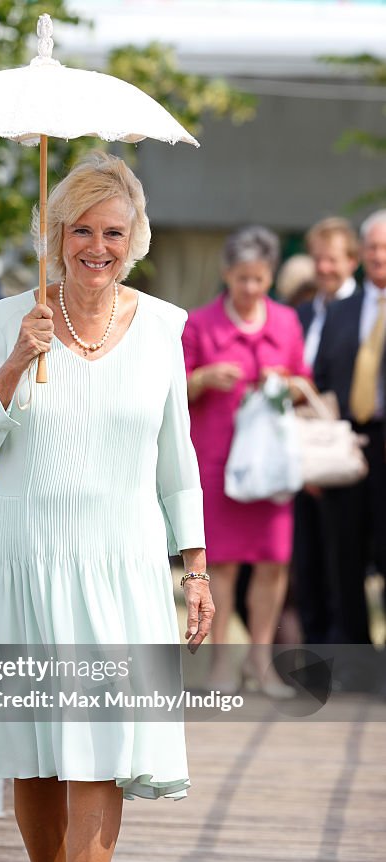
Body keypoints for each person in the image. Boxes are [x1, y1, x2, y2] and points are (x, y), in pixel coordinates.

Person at [0, 153, 213, 862]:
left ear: (135, 239)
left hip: (121, 566)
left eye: (111, 232)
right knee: (37, 761)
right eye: (79, 230)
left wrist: (193, 568)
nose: (95, 246)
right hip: (23, 562)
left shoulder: (164, 325)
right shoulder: (3, 319)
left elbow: (177, 460)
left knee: (100, 755)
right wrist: (16, 359)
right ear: (54, 237)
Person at [182, 226, 309, 697]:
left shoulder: (286, 322)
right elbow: (176, 389)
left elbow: (304, 384)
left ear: (271, 276)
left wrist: (287, 383)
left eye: (259, 279)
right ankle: (221, 664)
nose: (251, 289)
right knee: (223, 565)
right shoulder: (200, 324)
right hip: (217, 461)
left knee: (274, 563)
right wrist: (204, 378)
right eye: (242, 279)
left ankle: (260, 661)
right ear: (225, 275)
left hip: (270, 465)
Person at [314, 209, 386, 646]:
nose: (380, 255)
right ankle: (356, 661)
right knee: (344, 555)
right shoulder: (341, 311)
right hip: (346, 445)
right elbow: (321, 378)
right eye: (374, 247)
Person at [294, 218, 359, 643]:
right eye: (318, 259)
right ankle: (315, 654)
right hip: (303, 448)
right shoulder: (300, 312)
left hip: (346, 450)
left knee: (346, 561)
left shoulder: (363, 312)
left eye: (332, 259)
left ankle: (347, 655)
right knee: (309, 561)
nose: (324, 268)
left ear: (351, 261)